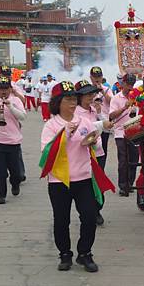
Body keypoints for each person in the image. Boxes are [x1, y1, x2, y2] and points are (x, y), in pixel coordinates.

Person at [41, 81, 113, 272]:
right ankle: (65, 254)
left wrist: (92, 141)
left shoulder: (85, 122)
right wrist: (64, 135)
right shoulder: (51, 125)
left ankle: (85, 253)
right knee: (61, 220)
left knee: (89, 217)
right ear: (58, 102)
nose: (73, 103)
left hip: (83, 179)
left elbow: (97, 149)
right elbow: (46, 154)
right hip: (59, 181)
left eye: (74, 99)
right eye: (68, 99)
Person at [0, 76, 27, 204]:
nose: (3, 91)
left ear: (10, 89)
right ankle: (0, 195)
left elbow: (23, 117)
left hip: (13, 140)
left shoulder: (16, 101)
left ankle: (15, 183)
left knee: (16, 172)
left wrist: (11, 107)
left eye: (6, 88)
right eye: (1, 88)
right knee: (0, 170)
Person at [75, 79, 107, 226]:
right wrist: (100, 124)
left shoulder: (93, 109)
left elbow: (105, 126)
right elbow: (82, 128)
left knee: (99, 182)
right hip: (84, 153)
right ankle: (91, 212)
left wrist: (100, 114)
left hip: (98, 151)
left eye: (91, 93)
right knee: (88, 185)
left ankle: (97, 208)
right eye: (86, 94)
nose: (90, 96)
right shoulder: (75, 112)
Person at [109, 74, 138, 196]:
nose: (130, 87)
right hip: (121, 132)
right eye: (128, 84)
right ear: (123, 83)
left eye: (132, 84)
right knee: (123, 159)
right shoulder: (116, 98)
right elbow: (111, 116)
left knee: (134, 159)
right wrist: (124, 108)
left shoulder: (138, 97)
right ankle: (122, 185)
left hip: (135, 132)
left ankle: (130, 183)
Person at [89, 66, 113, 169]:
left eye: (98, 76)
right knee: (91, 146)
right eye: (94, 76)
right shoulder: (88, 90)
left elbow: (112, 102)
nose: (96, 79)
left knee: (103, 147)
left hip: (104, 122)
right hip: (91, 122)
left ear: (102, 77)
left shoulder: (107, 89)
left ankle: (101, 170)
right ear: (91, 77)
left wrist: (102, 91)